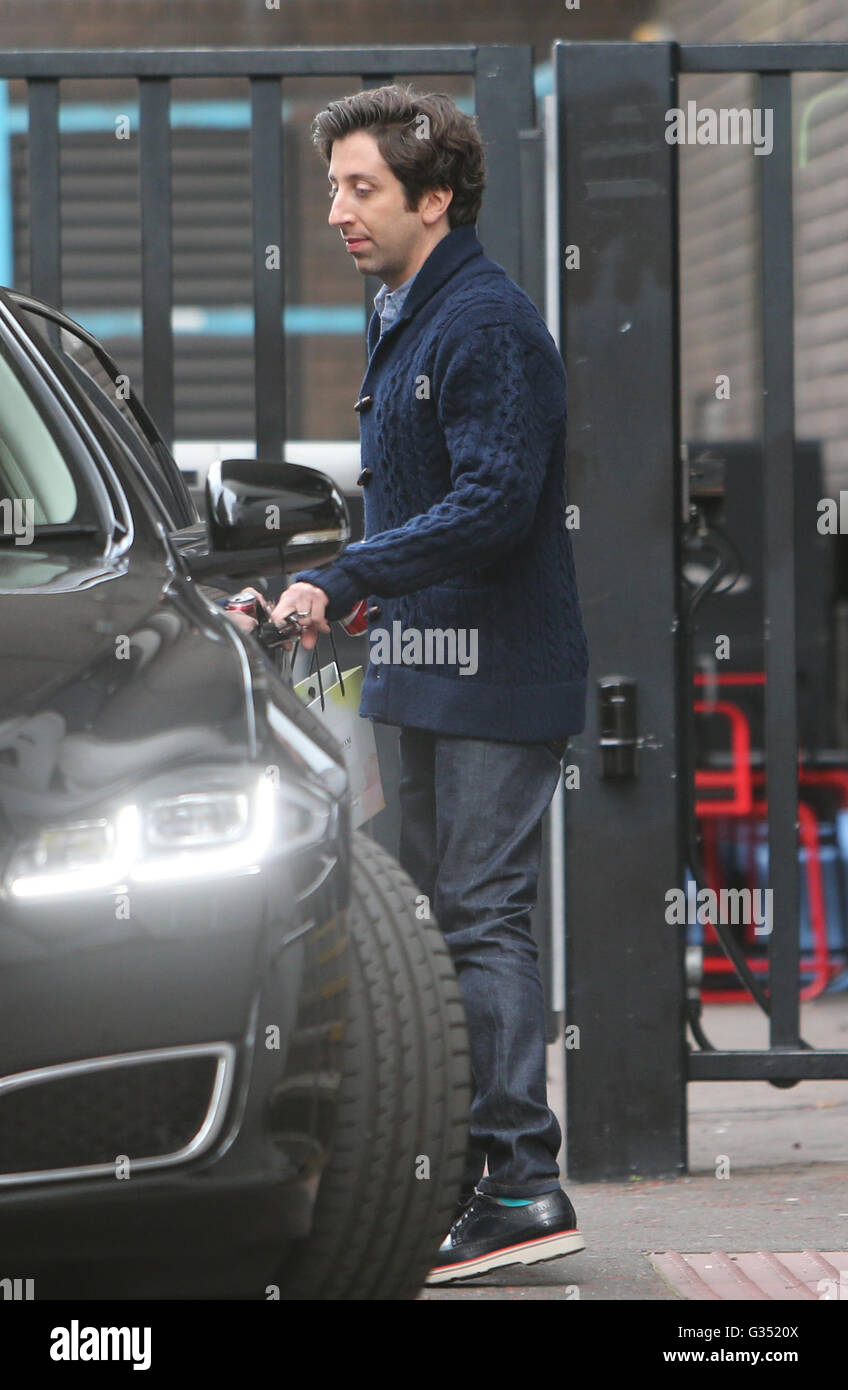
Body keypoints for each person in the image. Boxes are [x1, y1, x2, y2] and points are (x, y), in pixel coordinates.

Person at [271, 83, 589, 1284]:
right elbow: (413, 504)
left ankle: (519, 1182)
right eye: (333, 188)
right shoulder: (404, 308)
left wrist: (348, 570)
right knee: (422, 927)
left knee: (482, 916)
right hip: (417, 671)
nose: (339, 212)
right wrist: (327, 582)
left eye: (362, 189)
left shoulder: (488, 322)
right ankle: (456, 1171)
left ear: (434, 198)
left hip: (498, 674)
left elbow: (494, 502)